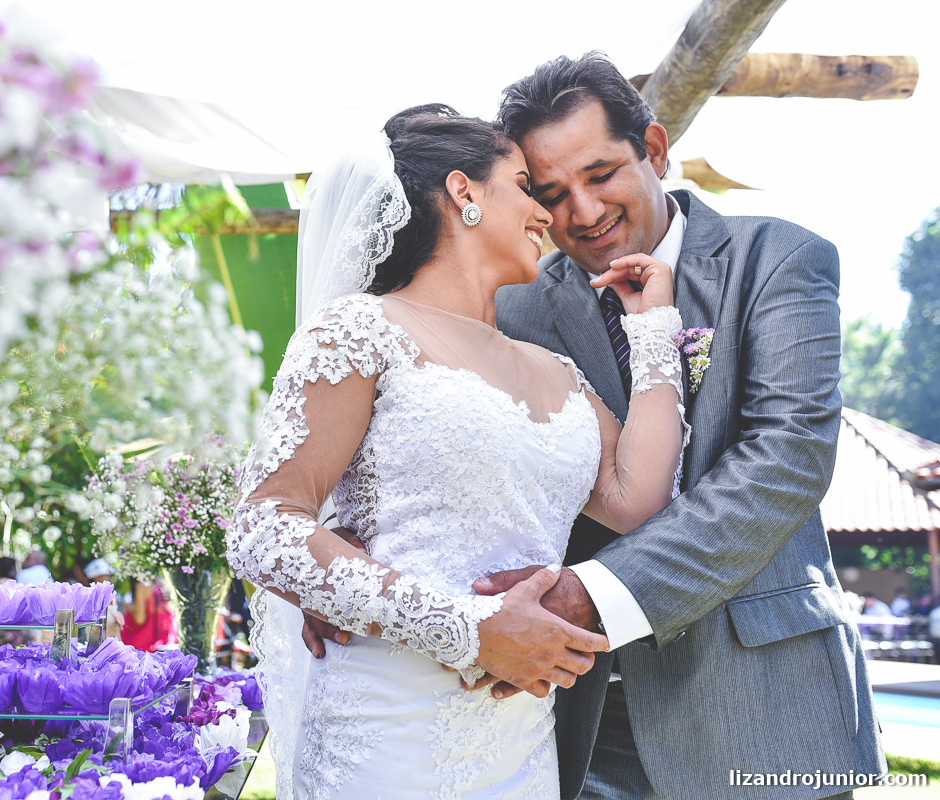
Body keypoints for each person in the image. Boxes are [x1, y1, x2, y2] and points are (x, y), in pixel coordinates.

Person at [227, 103, 689, 798]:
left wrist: (652, 327)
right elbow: (262, 528)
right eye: (525, 187)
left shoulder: (555, 371)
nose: (546, 214)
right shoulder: (359, 330)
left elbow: (638, 501)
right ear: (463, 191)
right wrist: (469, 631)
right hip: (389, 733)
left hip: (522, 745)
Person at [478, 52, 881, 799]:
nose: (583, 212)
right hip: (580, 720)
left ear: (655, 150)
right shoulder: (514, 306)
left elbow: (785, 461)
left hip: (761, 704)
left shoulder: (778, 259)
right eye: (553, 194)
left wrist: (593, 594)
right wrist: (353, 565)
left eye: (601, 174)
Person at [120, 577, 178, 652]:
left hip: (151, 640)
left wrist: (131, 608)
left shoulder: (142, 586)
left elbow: (140, 619)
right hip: (169, 637)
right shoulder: (163, 583)